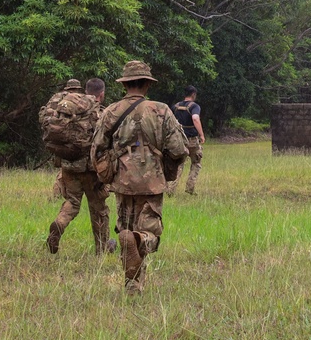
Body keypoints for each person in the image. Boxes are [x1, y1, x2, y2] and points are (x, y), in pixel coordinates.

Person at [90, 61, 187, 294]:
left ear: (125, 84)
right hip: (152, 181)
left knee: (126, 228)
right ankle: (139, 243)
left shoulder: (110, 111)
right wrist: (168, 169)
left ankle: (133, 284)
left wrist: (107, 173)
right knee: (149, 232)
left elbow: (96, 149)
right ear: (147, 84)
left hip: (122, 180)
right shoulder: (161, 110)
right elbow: (178, 149)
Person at [41, 77, 114, 255]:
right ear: (101, 94)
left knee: (73, 202)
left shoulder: (71, 108)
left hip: (68, 164)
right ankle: (102, 249)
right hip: (90, 169)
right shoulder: (97, 111)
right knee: (98, 208)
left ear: (86, 90)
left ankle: (59, 224)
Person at [168, 85, 204, 195]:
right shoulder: (195, 106)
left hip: (179, 141)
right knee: (196, 162)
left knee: (179, 163)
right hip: (192, 140)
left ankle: (170, 189)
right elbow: (195, 118)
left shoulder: (175, 106)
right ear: (193, 94)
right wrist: (201, 135)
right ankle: (190, 188)